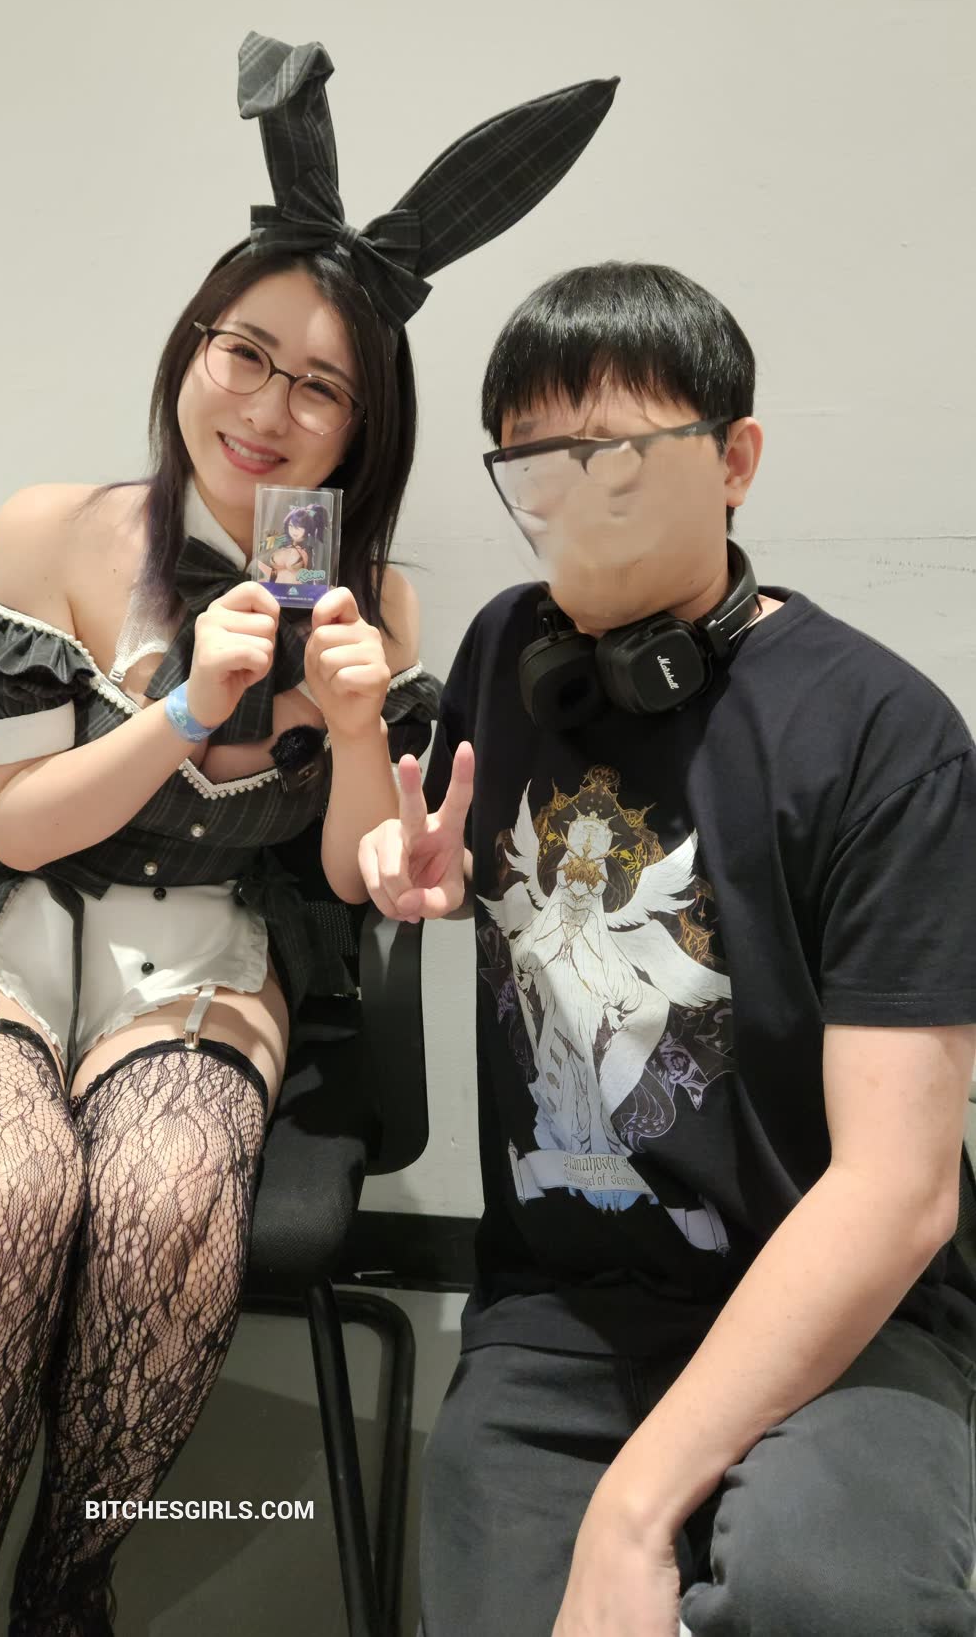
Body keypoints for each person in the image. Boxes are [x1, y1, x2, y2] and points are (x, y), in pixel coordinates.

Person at [0, 34, 618, 1637]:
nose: (269, 410)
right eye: (247, 353)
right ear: (192, 345)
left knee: (166, 1206)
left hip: (210, 953)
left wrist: (356, 725)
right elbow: (14, 827)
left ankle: (71, 1581)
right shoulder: (51, 530)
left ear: (360, 431)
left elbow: (359, 873)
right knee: (3, 1194)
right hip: (10, 938)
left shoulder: (378, 599)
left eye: (321, 387)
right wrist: (180, 707)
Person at [359, 260, 976, 1637]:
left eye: (616, 456)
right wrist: (402, 865)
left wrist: (634, 1509)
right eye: (533, 463)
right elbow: (426, 858)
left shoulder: (884, 735)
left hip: (842, 1315)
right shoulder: (508, 656)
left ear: (734, 460)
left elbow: (898, 1194)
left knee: (826, 1597)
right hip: (561, 1309)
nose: (570, 503)